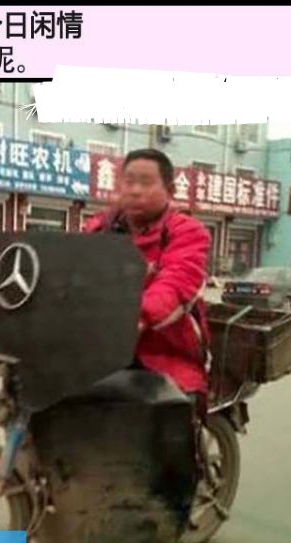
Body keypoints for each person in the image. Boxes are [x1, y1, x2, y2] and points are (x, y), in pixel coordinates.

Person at [84, 148, 212, 418]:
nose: (135, 190)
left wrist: (136, 317)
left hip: (165, 351)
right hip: (99, 347)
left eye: (146, 182)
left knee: (163, 423)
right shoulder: (98, 228)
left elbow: (176, 282)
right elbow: (71, 270)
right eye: (129, 181)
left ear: (170, 190)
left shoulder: (186, 231)